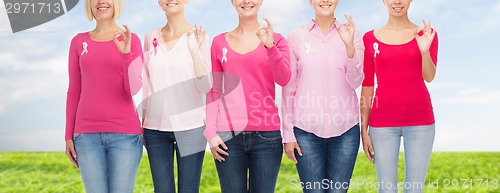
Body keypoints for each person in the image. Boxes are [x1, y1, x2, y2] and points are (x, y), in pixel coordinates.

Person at [204, 0, 291, 192]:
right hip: (228, 138)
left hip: (267, 137)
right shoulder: (219, 42)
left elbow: (284, 79)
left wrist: (270, 48)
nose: (246, 1)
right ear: (233, 2)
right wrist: (210, 132)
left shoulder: (277, 40)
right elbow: (214, 90)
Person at [281, 0, 364, 192]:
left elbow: (356, 81)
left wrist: (349, 47)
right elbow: (289, 88)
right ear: (310, 1)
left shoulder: (353, 34)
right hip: (305, 131)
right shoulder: (296, 37)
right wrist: (287, 134)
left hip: (346, 131)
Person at [64, 0, 144, 192]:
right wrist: (68, 135)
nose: (101, 1)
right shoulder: (78, 42)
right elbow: (74, 89)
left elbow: (133, 89)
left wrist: (125, 55)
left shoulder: (132, 40)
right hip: (86, 136)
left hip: (125, 135)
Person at [360, 0, 438, 192]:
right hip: (382, 124)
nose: (397, 2)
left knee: (415, 188)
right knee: (386, 189)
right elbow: (367, 85)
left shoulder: (426, 34)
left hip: (421, 122)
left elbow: (429, 76)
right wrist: (364, 128)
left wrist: (424, 50)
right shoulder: (369, 39)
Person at [141, 0, 212, 192]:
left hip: (191, 128)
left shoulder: (200, 36)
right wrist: (143, 122)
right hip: (155, 130)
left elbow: (206, 86)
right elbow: (147, 83)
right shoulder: (150, 37)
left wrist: (195, 53)